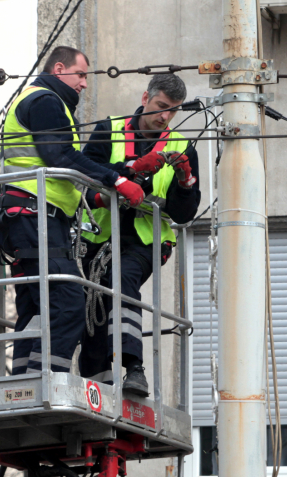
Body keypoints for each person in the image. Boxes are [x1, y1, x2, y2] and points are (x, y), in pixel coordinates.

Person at [0, 46, 167, 375]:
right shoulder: (46, 101)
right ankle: (49, 382)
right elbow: (61, 157)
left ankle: (25, 381)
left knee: (37, 304)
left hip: (27, 217)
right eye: (82, 75)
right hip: (36, 216)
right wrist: (116, 180)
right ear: (59, 69)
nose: (85, 84)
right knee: (70, 300)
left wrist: (127, 171)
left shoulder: (35, 99)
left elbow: (66, 159)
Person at [78, 73, 201, 396]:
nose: (165, 116)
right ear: (145, 97)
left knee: (122, 277)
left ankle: (134, 368)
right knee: (95, 303)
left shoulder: (181, 146)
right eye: (161, 106)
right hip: (99, 237)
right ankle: (98, 385)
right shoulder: (109, 130)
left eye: (172, 111)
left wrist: (186, 182)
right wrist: (129, 173)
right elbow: (82, 180)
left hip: (147, 240)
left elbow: (184, 214)